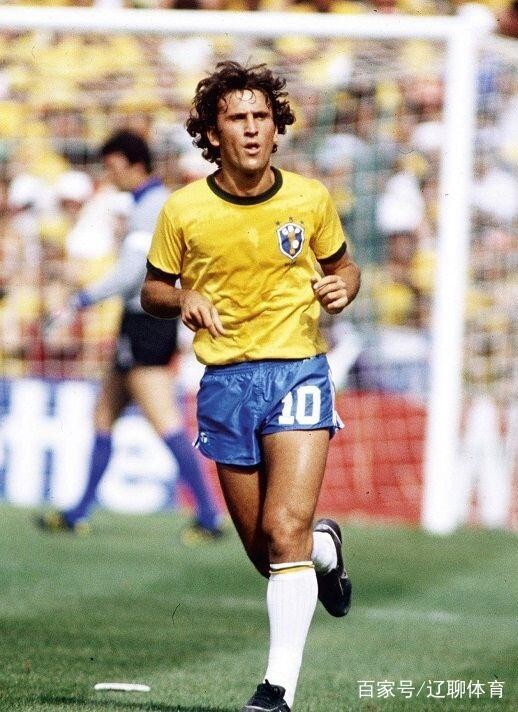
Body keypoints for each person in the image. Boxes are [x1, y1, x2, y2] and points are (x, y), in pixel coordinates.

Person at [141, 62, 361, 712]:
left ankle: (276, 690)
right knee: (271, 554)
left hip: (298, 370)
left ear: (276, 125)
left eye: (261, 116)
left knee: (285, 526)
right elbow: (152, 289)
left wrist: (342, 288)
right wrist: (182, 297)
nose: (252, 128)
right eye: (237, 117)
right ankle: (325, 551)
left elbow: (345, 267)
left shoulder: (309, 199)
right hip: (226, 383)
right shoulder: (184, 209)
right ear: (213, 132)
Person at [38, 130, 223, 543]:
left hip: (148, 323)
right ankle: (78, 512)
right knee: (104, 414)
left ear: (134, 164)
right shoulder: (144, 204)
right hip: (136, 321)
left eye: (112, 166)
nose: (109, 175)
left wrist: (79, 300)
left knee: (164, 419)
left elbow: (131, 273)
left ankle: (210, 515)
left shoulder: (153, 207)